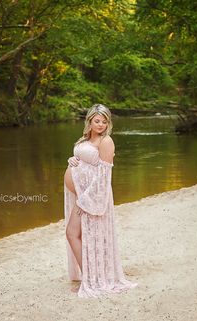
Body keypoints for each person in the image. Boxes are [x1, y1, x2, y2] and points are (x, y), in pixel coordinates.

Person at [64, 104, 138, 298]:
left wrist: (86, 199)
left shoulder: (106, 141)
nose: (101, 125)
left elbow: (104, 176)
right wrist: (72, 160)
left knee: (75, 234)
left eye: (104, 121)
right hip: (82, 194)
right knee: (75, 234)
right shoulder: (86, 139)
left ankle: (90, 280)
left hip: (92, 196)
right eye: (97, 121)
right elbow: (84, 159)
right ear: (89, 121)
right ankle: (89, 278)